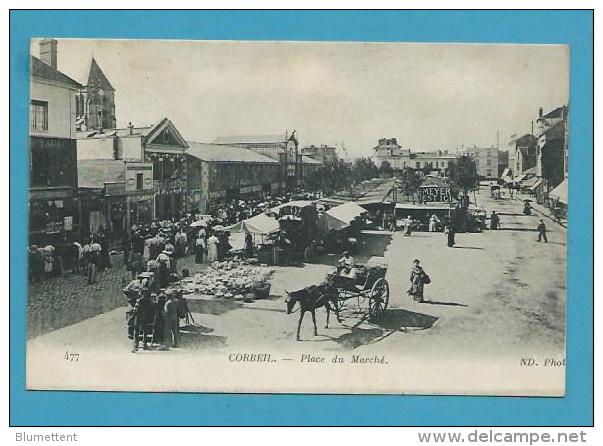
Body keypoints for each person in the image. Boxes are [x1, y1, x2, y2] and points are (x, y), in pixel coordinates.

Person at [132, 288, 156, 352]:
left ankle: (135, 346)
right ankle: (144, 345)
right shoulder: (150, 301)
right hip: (146, 317)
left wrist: (134, 316)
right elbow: (153, 308)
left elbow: (135, 310)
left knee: (136, 332)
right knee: (145, 331)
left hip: (139, 317)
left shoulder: (139, 300)